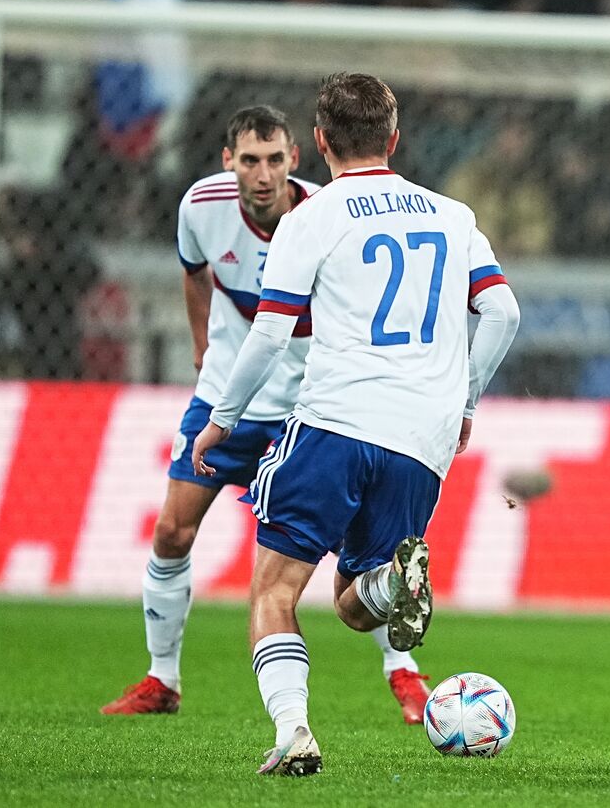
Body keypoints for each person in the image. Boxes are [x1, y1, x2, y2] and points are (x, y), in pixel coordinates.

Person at [191, 75, 520, 775]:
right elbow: (503, 313)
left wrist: (222, 419)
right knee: (353, 604)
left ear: (317, 144)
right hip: (422, 440)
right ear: (394, 139)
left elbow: (271, 334)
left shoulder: (310, 216)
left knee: (276, 592)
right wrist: (463, 402)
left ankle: (293, 732)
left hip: (336, 422)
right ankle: (389, 583)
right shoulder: (451, 214)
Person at [100, 107, 433, 724]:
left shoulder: (322, 220)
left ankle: (404, 672)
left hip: (312, 409)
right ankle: (161, 679)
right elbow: (194, 274)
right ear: (229, 162)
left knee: (362, 557)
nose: (263, 174)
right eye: (250, 160)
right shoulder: (200, 208)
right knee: (173, 530)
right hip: (231, 395)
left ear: (296, 160)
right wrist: (203, 346)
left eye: (275, 160)